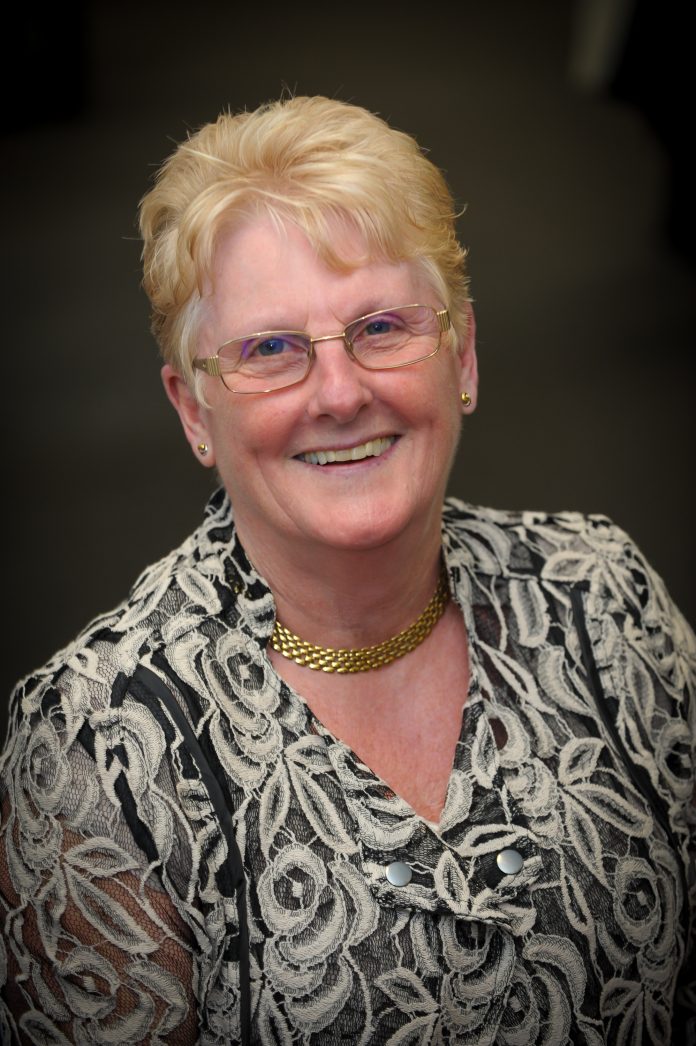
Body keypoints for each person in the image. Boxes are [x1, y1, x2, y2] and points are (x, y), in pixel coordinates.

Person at [0, 95, 693, 1045]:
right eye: (270, 349)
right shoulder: (96, 747)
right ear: (194, 410)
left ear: (463, 355)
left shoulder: (602, 596)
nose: (338, 392)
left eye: (381, 327)